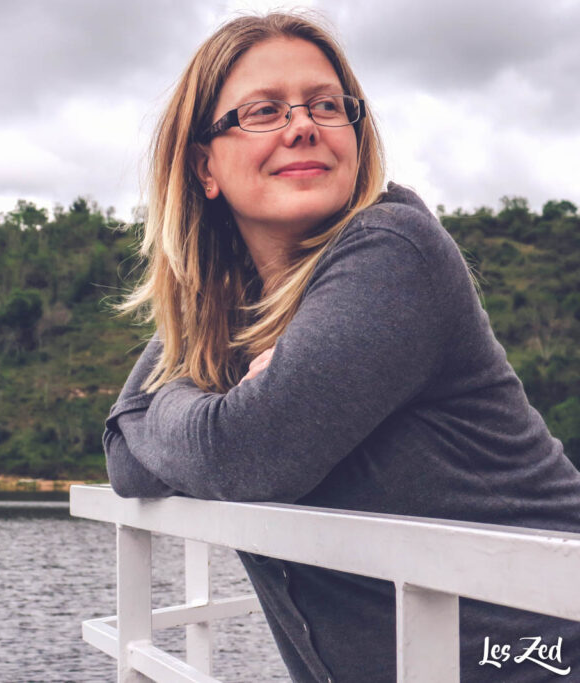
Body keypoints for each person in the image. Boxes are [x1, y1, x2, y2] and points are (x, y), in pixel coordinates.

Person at [102, 11, 580, 683]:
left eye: (327, 105)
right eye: (263, 111)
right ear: (205, 165)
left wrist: (221, 411)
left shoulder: (395, 251)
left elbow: (251, 450)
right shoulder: (228, 305)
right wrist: (222, 405)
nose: (303, 124)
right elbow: (124, 447)